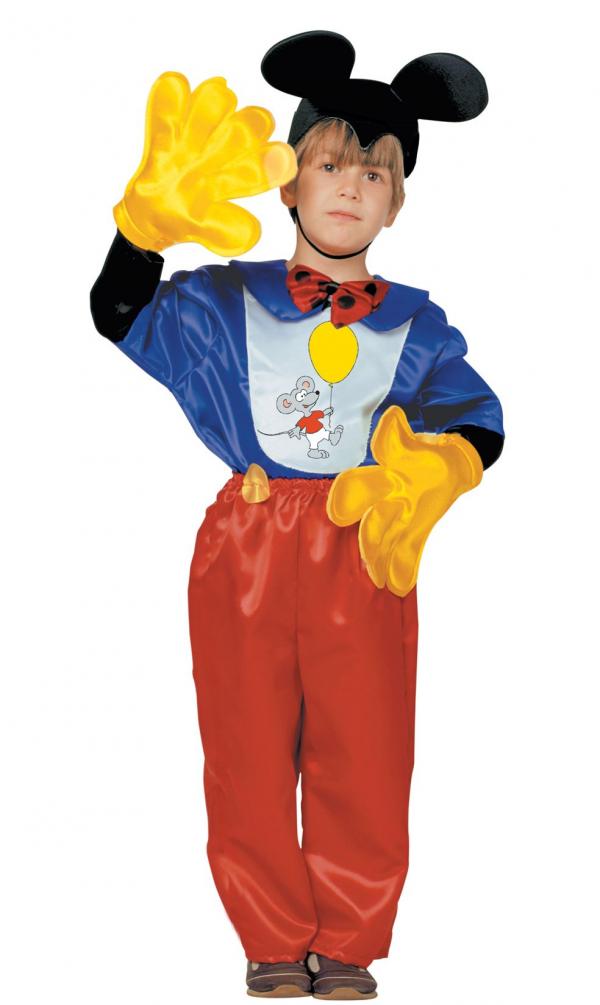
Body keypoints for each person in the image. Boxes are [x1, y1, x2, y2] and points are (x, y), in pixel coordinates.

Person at [90, 30, 504, 1000]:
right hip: (250, 540)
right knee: (246, 740)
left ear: (397, 202)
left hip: (366, 542)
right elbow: (118, 314)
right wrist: (141, 232)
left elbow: (479, 419)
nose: (350, 186)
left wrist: (440, 469)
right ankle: (272, 933)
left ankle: (350, 937)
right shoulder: (226, 301)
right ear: (287, 181)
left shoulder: (417, 325)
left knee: (367, 744)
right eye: (329, 162)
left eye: (375, 172)